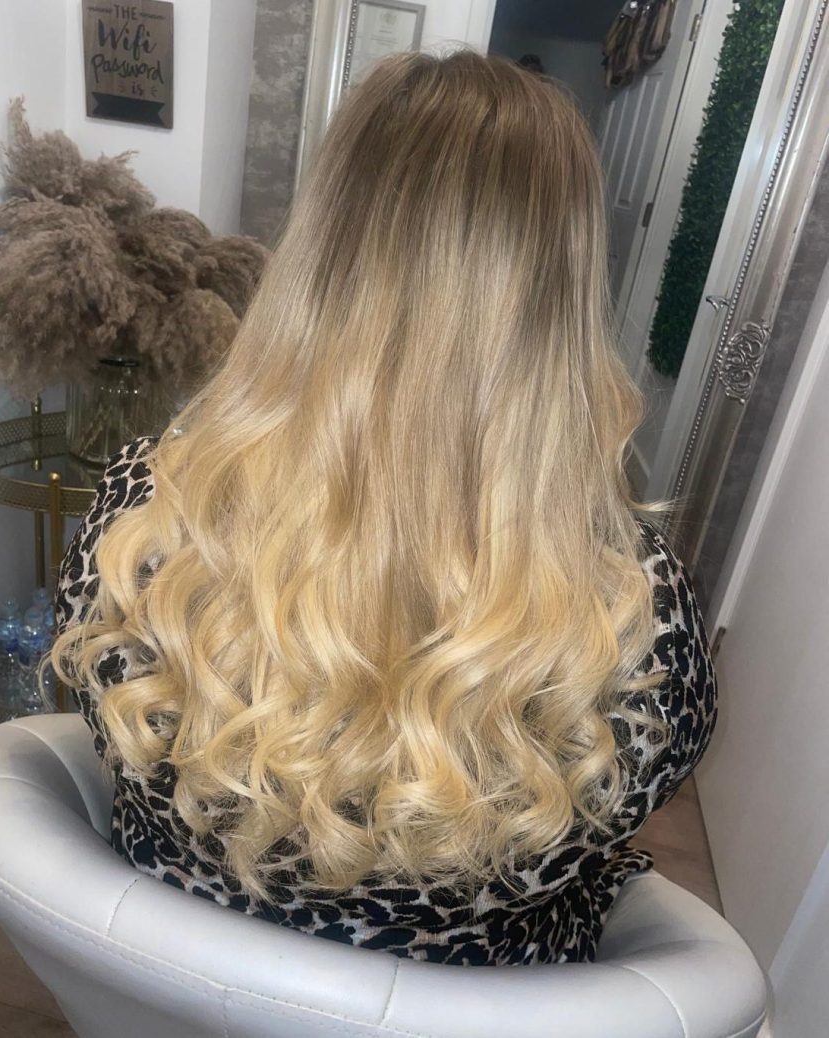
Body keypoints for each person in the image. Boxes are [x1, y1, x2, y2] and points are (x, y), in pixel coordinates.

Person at [53, 50, 716, 966]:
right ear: (560, 288)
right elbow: (622, 819)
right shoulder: (638, 616)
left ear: (319, 247)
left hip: (157, 988)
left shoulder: (142, 522)